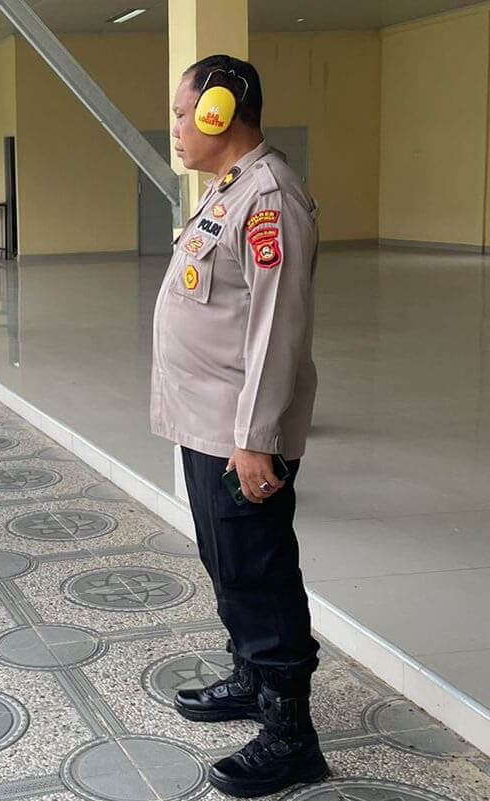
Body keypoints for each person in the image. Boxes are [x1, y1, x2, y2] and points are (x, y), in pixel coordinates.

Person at [150, 54, 327, 797]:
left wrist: (254, 438)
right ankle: (253, 677)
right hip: (209, 422)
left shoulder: (270, 196)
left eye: (185, 112)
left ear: (222, 110)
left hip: (238, 432)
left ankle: (292, 735)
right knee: (227, 561)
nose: (178, 127)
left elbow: (275, 330)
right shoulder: (231, 189)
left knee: (258, 570)